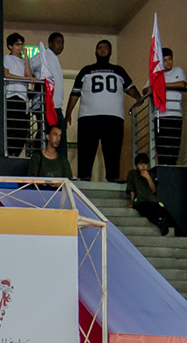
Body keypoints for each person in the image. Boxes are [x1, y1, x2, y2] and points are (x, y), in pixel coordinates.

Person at [65, 39, 137, 182]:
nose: (103, 50)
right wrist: (68, 113)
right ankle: (84, 175)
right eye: (100, 48)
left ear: (110, 52)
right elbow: (75, 93)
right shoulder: (85, 70)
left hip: (113, 117)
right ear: (95, 51)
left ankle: (113, 176)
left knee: (113, 149)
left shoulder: (119, 70)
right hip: (88, 116)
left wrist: (139, 98)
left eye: (106, 48)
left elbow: (130, 88)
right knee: (86, 149)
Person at [127, 155, 176, 233]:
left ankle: (167, 225)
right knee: (147, 210)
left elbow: (154, 190)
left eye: (145, 163)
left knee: (163, 210)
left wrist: (148, 178)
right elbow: (132, 190)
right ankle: (160, 223)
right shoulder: (133, 174)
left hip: (153, 201)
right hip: (141, 201)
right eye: (141, 164)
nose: (143, 166)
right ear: (136, 165)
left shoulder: (151, 174)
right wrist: (131, 203)